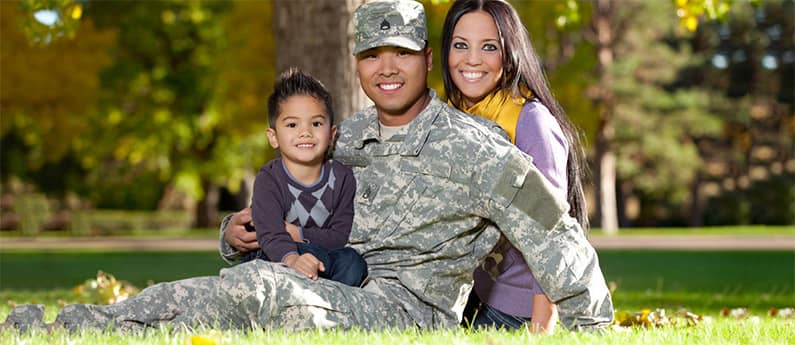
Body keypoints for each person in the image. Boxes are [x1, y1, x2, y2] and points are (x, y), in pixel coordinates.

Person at [2, 0, 612, 333]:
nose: (387, 68)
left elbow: (555, 235)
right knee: (206, 291)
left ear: (427, 58)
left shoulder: (477, 146)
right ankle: (59, 326)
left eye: (401, 52)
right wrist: (234, 234)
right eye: (372, 54)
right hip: (318, 277)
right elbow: (274, 212)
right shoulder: (337, 135)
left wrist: (595, 326)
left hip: (406, 310)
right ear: (356, 64)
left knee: (268, 294)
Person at [441, 0, 589, 333]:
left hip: (514, 309)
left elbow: (551, 236)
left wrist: (541, 328)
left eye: (489, 47)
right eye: (460, 45)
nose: (472, 59)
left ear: (510, 53)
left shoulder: (530, 121)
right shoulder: (453, 120)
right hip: (468, 295)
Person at [242, 67, 366, 287]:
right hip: (278, 254)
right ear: (273, 137)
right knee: (259, 259)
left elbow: (339, 236)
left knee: (353, 262)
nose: (305, 132)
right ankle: (292, 291)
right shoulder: (269, 179)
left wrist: (297, 233)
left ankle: (327, 298)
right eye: (292, 124)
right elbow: (269, 234)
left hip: (322, 256)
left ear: (332, 135)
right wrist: (293, 259)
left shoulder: (342, 178)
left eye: (316, 123)